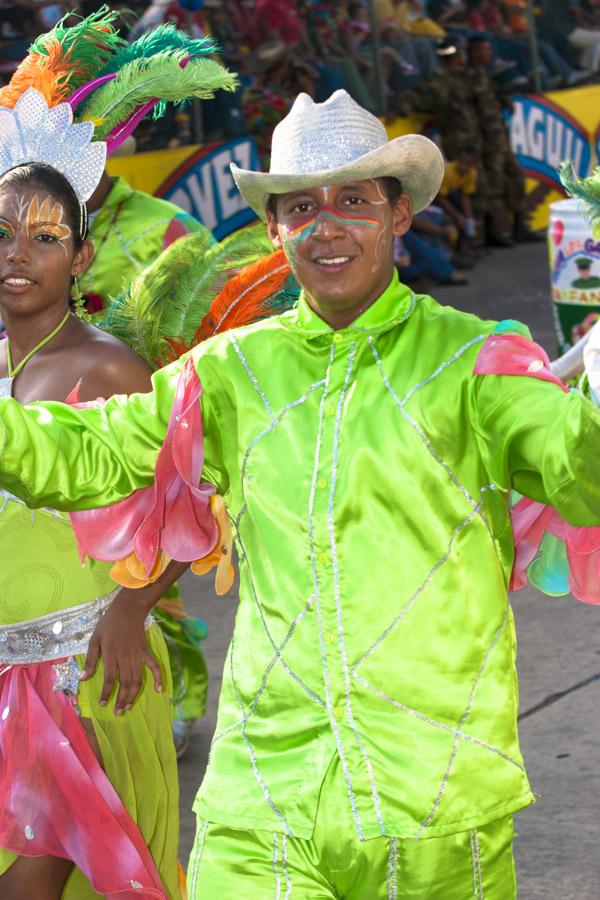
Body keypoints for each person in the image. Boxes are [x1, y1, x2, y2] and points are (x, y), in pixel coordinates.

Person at [2, 85, 600, 898]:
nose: (328, 226)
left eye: (353, 200)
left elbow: (577, 465)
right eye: (301, 206)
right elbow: (95, 452)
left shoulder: (478, 361)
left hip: (431, 795)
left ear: (398, 215)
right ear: (276, 228)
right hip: (264, 797)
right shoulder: (232, 370)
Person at [0, 160, 185, 899]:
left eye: (44, 238)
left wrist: (133, 609)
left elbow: (194, 505)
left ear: (80, 257)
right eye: (1, 233)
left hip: (88, 675)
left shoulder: (111, 369)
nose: (17, 253)